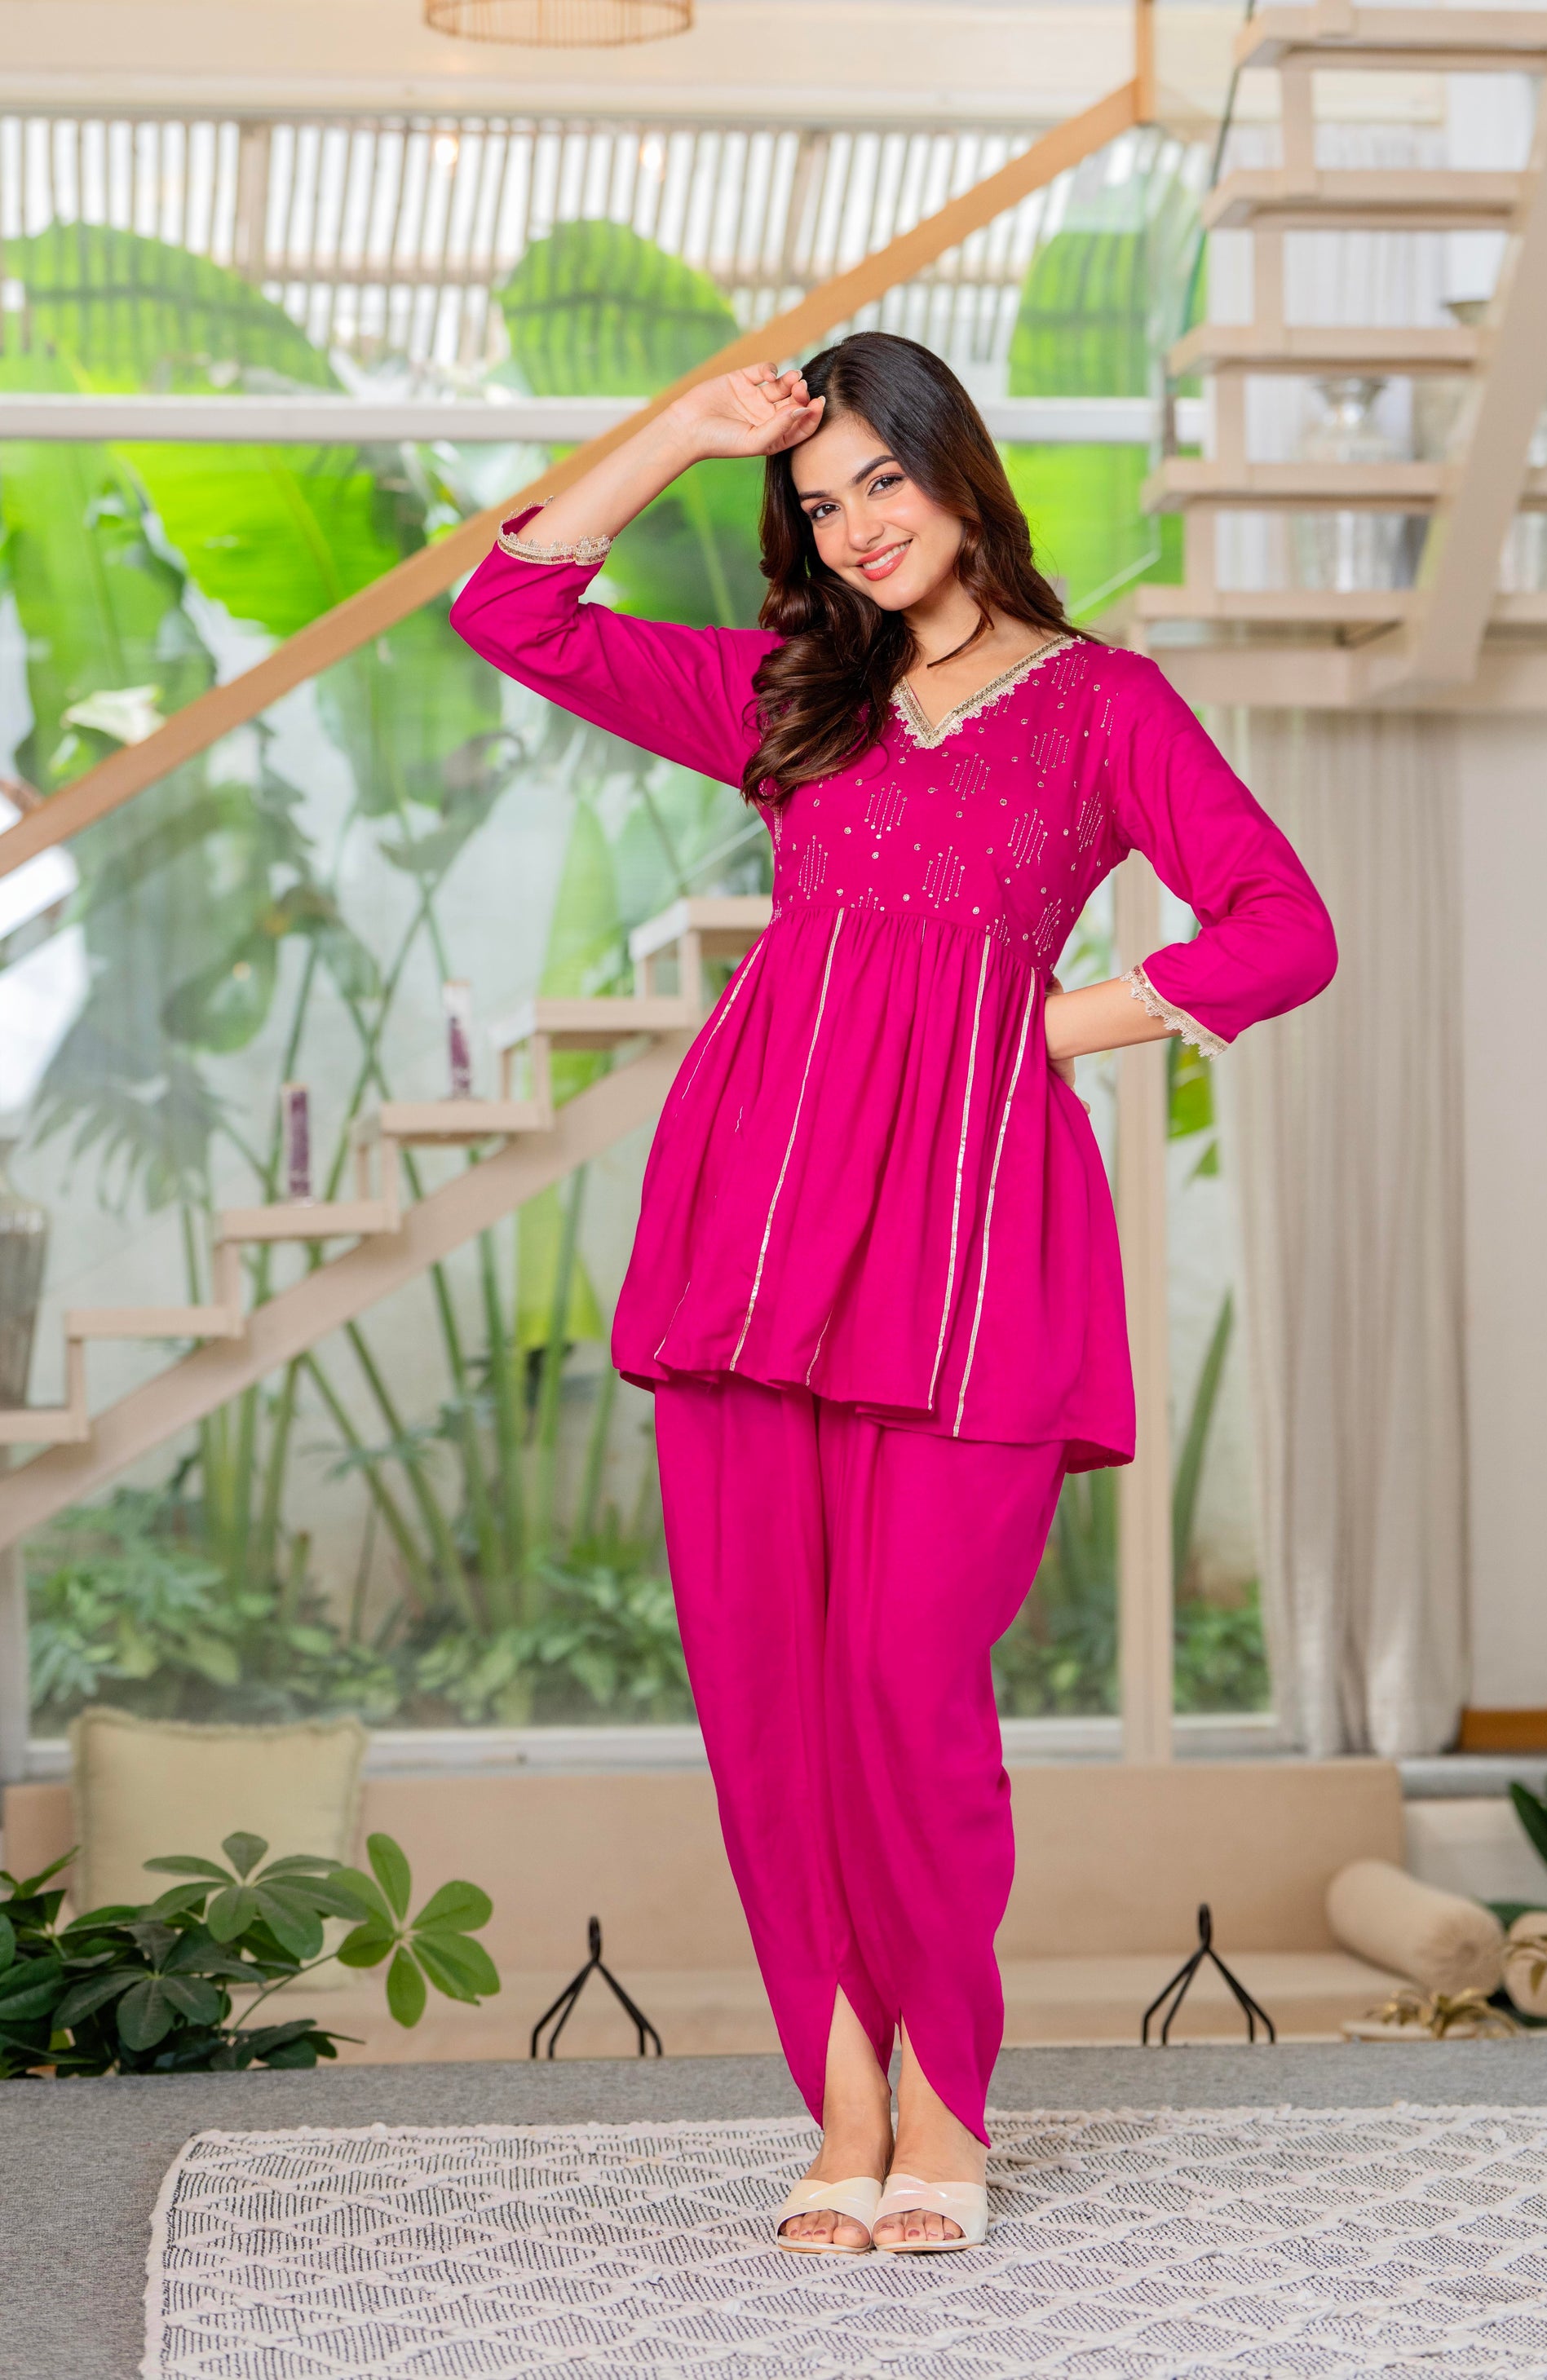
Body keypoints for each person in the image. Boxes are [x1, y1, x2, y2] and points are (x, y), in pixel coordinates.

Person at [451, 331, 1337, 2255]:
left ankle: (947, 2097)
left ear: (956, 469)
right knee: (768, 1689)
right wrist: (689, 430)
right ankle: (843, 2105)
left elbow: (1285, 928)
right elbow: (508, 610)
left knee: (904, 1684)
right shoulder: (794, 694)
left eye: (883, 478)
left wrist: (1062, 1021)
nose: (857, 525)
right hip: (753, 1234)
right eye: (819, 497)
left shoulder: (1102, 705)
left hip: (972, 1243)